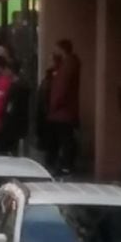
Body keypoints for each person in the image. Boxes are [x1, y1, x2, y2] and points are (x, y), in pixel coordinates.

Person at [44, 39, 81, 175]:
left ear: (62, 50)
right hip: (62, 111)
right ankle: (63, 164)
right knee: (63, 139)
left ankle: (64, 166)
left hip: (62, 112)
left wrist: (53, 106)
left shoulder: (67, 66)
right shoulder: (63, 65)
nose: (53, 52)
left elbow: (61, 88)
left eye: (56, 49)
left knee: (63, 139)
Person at [0, 57, 28, 155]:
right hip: (9, 125)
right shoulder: (19, 85)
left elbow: (2, 104)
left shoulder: (9, 84)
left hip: (2, 125)